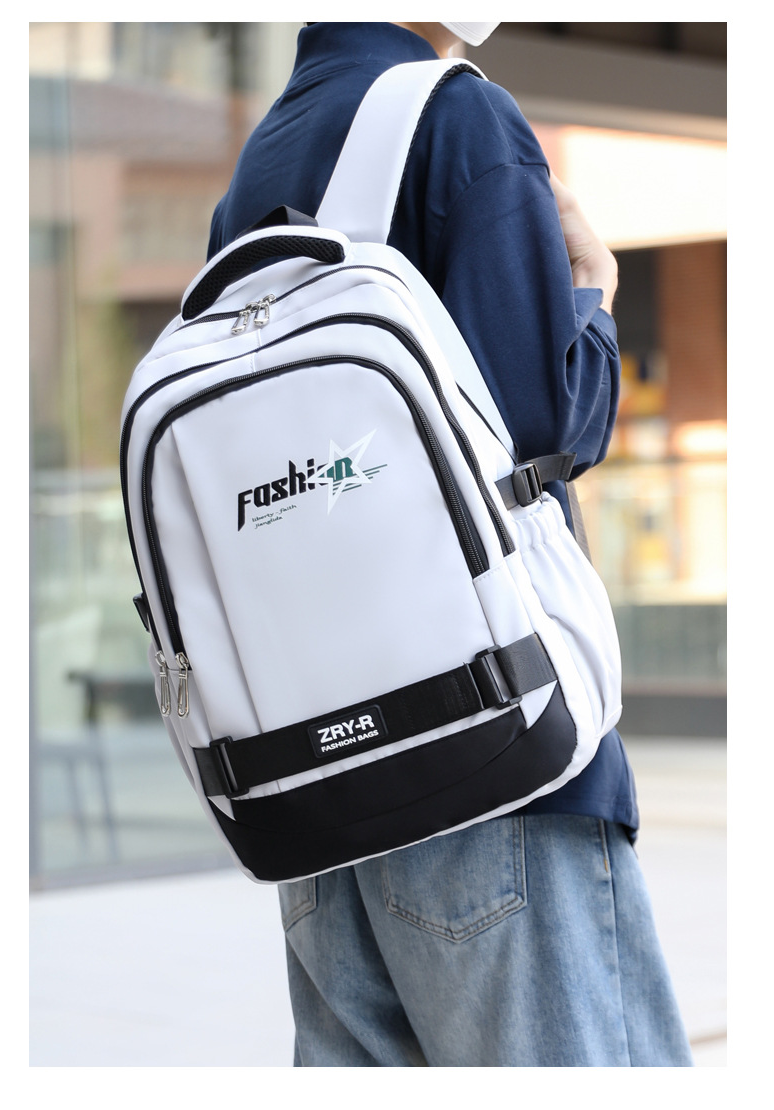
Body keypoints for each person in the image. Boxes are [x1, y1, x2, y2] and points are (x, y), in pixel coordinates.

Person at [207, 21, 694, 1067]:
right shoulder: (455, 113)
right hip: (492, 758)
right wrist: (592, 290)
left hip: (316, 797)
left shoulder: (260, 165)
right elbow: (547, 428)